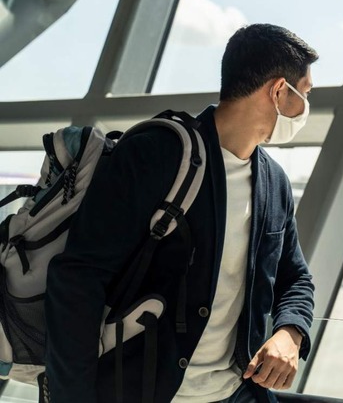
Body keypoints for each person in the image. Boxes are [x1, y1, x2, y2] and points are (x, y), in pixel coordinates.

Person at [44, 24, 317, 402]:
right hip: (142, 391)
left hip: (238, 393)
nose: (305, 110)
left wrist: (291, 331)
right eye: (303, 95)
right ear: (278, 91)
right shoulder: (157, 153)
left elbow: (296, 277)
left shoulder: (274, 182)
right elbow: (78, 279)